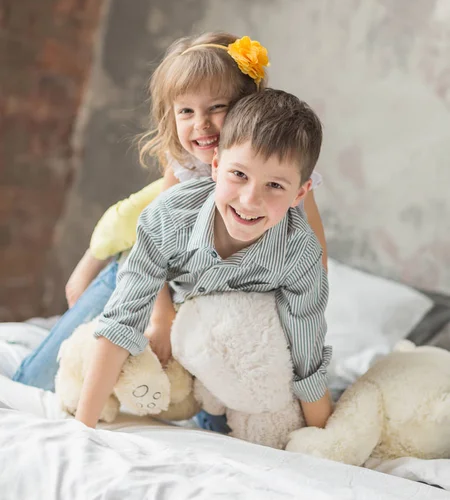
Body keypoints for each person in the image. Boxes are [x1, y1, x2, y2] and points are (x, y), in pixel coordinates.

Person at [13, 33, 327, 399]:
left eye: (217, 107)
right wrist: (159, 315)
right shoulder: (184, 166)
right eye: (187, 112)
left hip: (216, 291)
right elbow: (144, 241)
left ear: (248, 107)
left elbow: (314, 259)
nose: (202, 125)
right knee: (44, 373)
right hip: (146, 276)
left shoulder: (282, 175)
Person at [75, 88, 333, 430]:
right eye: (238, 175)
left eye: (274, 185)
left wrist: (323, 442)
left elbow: (306, 355)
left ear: (299, 193)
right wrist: (82, 429)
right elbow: (123, 320)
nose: (249, 200)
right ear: (215, 166)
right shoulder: (168, 217)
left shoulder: (299, 252)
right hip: (176, 326)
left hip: (238, 355)